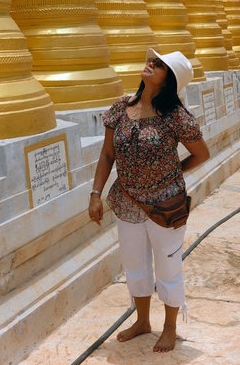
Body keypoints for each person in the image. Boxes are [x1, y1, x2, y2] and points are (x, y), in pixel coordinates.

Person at [88, 48, 210, 353]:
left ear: (168, 79)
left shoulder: (175, 117)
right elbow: (107, 155)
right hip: (127, 201)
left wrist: (172, 172)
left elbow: (201, 154)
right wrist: (95, 194)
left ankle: (169, 328)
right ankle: (142, 320)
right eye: (152, 61)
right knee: (134, 264)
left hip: (164, 205)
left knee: (168, 268)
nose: (150, 64)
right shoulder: (120, 108)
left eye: (159, 65)